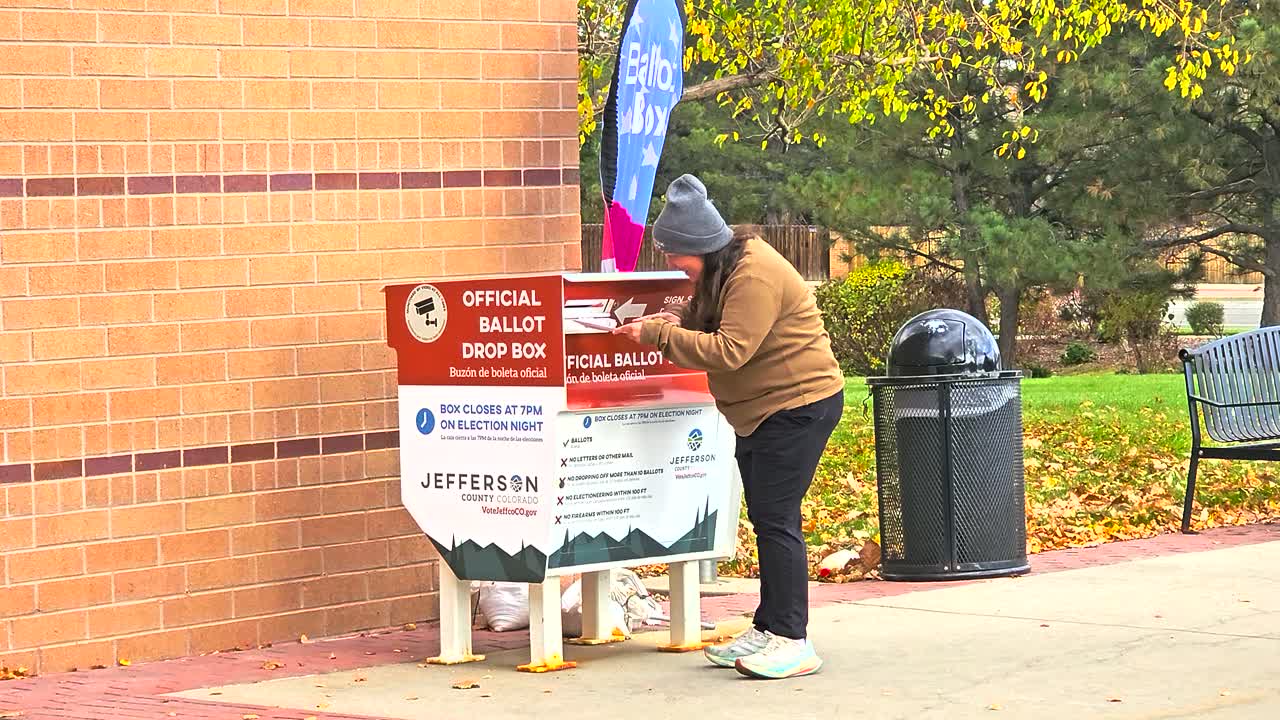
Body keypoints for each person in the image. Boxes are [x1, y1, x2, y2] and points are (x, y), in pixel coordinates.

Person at [613, 174, 846, 679]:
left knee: (778, 521)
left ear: (701, 246)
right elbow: (706, 321)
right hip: (761, 413)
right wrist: (672, 325)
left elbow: (730, 350)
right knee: (767, 520)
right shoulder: (724, 269)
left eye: (678, 257)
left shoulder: (754, 274)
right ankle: (768, 628)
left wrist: (657, 336)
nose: (674, 266)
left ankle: (793, 640)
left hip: (798, 407)